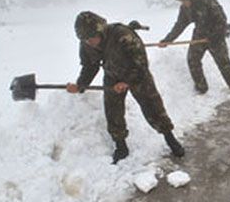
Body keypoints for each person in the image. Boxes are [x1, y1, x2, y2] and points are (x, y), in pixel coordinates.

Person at [66, 11, 185, 164]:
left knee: (152, 106)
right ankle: (121, 146)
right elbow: (90, 66)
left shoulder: (123, 35)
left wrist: (127, 82)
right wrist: (80, 85)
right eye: (85, 39)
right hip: (112, 75)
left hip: (137, 73)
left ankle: (170, 139)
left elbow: (141, 64)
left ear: (100, 31)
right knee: (112, 111)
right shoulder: (86, 43)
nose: (89, 42)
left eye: (91, 38)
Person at [159, 0, 230, 99]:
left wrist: (214, 36)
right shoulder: (185, 8)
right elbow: (180, 25)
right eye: (181, 1)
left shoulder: (207, 1)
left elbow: (222, 20)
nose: (183, 3)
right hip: (199, 35)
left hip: (216, 37)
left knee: (223, 63)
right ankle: (201, 87)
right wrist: (168, 40)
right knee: (192, 59)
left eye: (184, 0)